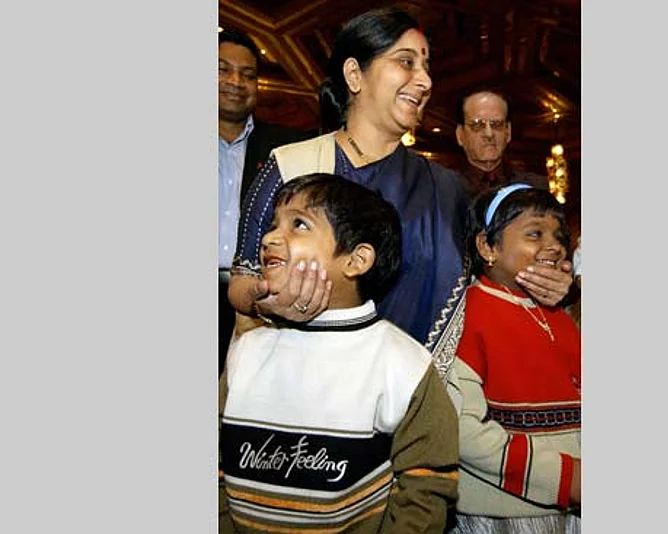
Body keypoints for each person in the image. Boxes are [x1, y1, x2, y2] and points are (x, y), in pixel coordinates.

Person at [226, 7, 574, 378]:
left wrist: (550, 283)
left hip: (415, 389)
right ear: (354, 74)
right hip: (302, 382)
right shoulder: (291, 165)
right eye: (406, 62)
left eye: (426, 67)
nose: (424, 81)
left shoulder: (446, 189)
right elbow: (242, 280)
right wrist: (267, 301)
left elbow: (493, 272)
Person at [220, 173, 459, 532]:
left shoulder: (402, 364)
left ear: (356, 260)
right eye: (273, 225)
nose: (269, 238)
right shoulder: (247, 350)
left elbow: (427, 487)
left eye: (299, 224)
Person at [446, 183, 581, 533]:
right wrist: (566, 478)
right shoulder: (468, 315)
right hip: (506, 512)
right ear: (487, 247)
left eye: (559, 236)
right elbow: (464, 431)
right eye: (535, 234)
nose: (554, 246)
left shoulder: (560, 316)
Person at [218, 28, 314, 375]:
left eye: (247, 75)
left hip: (260, 301)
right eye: (223, 70)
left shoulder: (286, 149)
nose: (235, 82)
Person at [455, 88, 550, 198]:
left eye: (497, 124)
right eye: (477, 125)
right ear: (460, 135)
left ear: (508, 132)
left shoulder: (535, 187)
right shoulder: (444, 189)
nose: (489, 134)